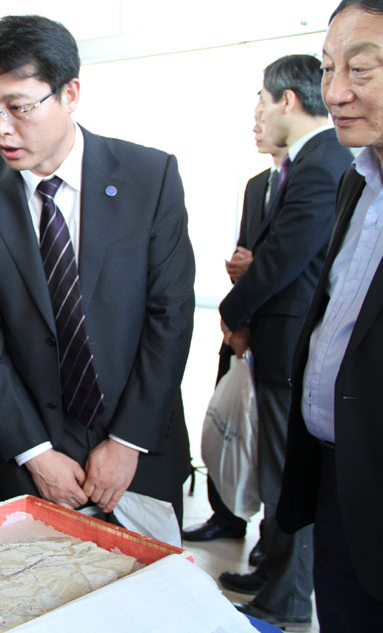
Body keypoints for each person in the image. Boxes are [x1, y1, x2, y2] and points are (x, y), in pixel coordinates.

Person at [0, 15, 195, 537]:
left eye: (19, 107)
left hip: (141, 446)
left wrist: (127, 442)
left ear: (71, 93)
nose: (1, 128)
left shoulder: (150, 177)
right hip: (34, 449)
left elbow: (169, 317)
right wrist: (36, 454)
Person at [216, 54, 353, 631]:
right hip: (276, 343)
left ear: (287, 101)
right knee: (273, 469)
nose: (258, 115)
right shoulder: (306, 164)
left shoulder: (324, 163)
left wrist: (231, 312)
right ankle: (272, 572)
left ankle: (288, 597)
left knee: (281, 476)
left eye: (261, 103)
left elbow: (284, 262)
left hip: (293, 347)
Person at [278, 1, 383, 630]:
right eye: (327, 68)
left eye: (362, 70)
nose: (336, 92)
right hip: (339, 480)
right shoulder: (357, 179)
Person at [184, 105, 290, 570]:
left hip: (279, 335)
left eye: (262, 111)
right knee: (224, 425)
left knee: (269, 443)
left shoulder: (323, 175)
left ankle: (270, 537)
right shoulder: (257, 185)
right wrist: (237, 310)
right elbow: (247, 255)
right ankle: (225, 516)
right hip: (242, 327)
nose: (255, 125)